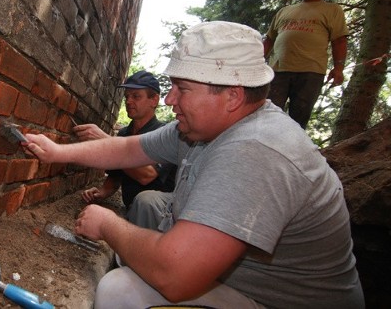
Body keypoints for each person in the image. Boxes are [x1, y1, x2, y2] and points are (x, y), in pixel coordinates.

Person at [24, 21, 363, 308]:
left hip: (276, 302)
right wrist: (58, 152)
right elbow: (129, 149)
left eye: (181, 89)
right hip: (239, 285)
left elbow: (175, 276)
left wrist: (108, 225)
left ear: (232, 96)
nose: (170, 99)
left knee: (120, 291)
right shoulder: (204, 127)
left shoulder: (256, 151)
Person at [73, 71, 176, 215]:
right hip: (131, 209)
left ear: (154, 100)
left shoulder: (165, 134)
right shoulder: (124, 134)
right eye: (127, 96)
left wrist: (107, 141)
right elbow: (116, 175)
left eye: (136, 96)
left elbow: (147, 175)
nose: (128, 101)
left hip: (156, 215)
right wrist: (102, 192)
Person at [263, 0, 348, 129]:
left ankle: (292, 151)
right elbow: (269, 39)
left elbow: (339, 41)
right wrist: (255, 61)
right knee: (268, 114)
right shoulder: (284, 11)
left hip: (310, 73)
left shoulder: (333, 10)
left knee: (298, 120)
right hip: (277, 71)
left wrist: (339, 68)